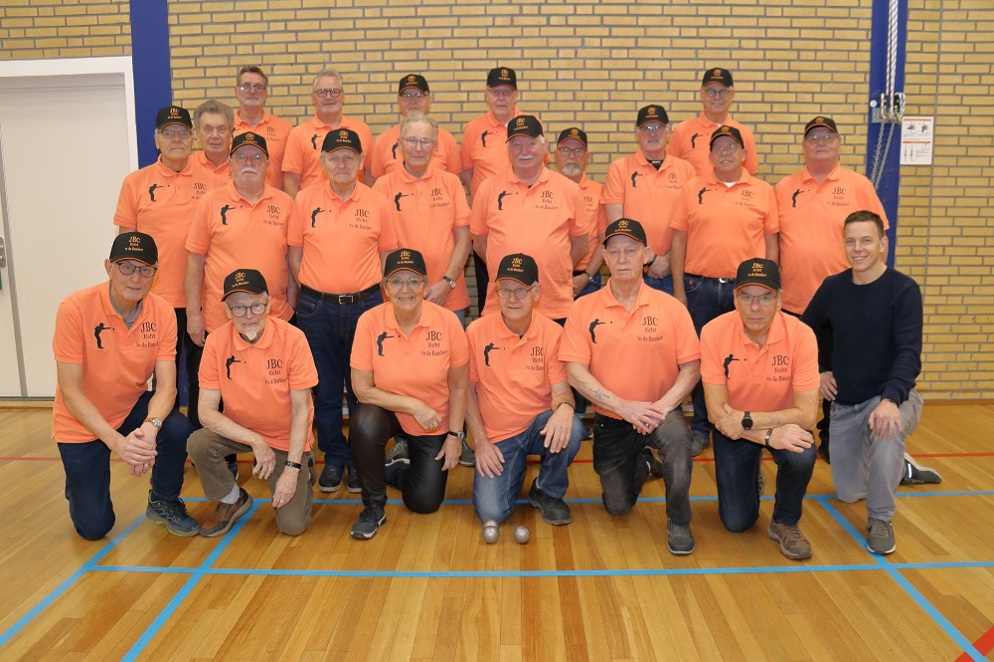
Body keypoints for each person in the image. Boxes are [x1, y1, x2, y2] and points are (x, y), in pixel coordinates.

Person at [773, 116, 938, 486]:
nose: (820, 142)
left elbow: (878, 239)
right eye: (813, 137)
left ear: (838, 143)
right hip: (797, 307)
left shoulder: (858, 185)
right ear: (804, 145)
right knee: (802, 383)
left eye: (827, 137)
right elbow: (773, 243)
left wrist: (878, 293)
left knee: (839, 390)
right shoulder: (784, 188)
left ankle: (879, 450)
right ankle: (790, 449)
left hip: (843, 309)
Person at [561, 219, 699, 555]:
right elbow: (575, 372)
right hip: (613, 417)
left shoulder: (671, 309)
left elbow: (692, 367)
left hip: (659, 409)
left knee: (680, 443)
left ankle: (679, 520)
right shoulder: (582, 309)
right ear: (604, 257)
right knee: (617, 505)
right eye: (615, 251)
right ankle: (647, 464)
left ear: (646, 255)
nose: (623, 258)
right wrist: (624, 407)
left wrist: (663, 407)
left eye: (631, 251)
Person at [52, 232, 197, 540]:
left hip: (129, 407)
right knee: (94, 528)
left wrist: (149, 431)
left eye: (145, 269)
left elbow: (168, 388)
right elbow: (70, 391)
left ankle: (163, 500)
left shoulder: (163, 312)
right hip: (81, 421)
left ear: (155, 272)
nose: (136, 277)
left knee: (177, 428)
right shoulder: (75, 308)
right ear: (109, 267)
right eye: (126, 267)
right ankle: (78, 483)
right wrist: (118, 444)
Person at [801, 211, 928, 554]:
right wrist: (820, 369)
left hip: (889, 397)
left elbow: (909, 355)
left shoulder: (903, 290)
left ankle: (881, 519)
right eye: (851, 241)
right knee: (848, 491)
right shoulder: (833, 287)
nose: (858, 248)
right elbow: (802, 332)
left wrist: (891, 399)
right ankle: (899, 466)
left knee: (887, 429)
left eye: (867, 240)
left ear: (883, 245)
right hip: (846, 403)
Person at [288, 128, 397, 493]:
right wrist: (315, 287)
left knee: (363, 388)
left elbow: (387, 257)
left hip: (366, 307)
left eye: (349, 156)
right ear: (322, 162)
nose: (342, 163)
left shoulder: (377, 202)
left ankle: (362, 457)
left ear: (362, 162)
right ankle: (335, 456)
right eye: (334, 157)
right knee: (326, 390)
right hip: (316, 307)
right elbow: (294, 256)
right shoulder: (304, 201)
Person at [700, 258, 820, 560]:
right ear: (735, 298)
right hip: (735, 432)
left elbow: (807, 415)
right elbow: (716, 413)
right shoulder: (714, 332)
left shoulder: (802, 335)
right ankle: (752, 474)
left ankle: (785, 521)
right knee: (737, 522)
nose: (756, 307)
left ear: (779, 299)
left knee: (802, 451)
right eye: (747, 297)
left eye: (765, 297)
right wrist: (766, 438)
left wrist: (751, 420)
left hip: (766, 423)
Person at [671, 125, 779, 456]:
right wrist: (678, 290)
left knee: (744, 361)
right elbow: (679, 240)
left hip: (745, 292)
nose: (726, 152)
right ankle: (703, 426)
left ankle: (743, 423)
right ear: (710, 154)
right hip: (699, 287)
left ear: (745, 154)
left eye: (733, 146)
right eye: (719, 147)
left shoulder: (763, 191)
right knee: (704, 361)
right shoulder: (692, 188)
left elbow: (772, 244)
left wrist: (768, 290)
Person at [188, 269, 318, 537]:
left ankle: (304, 466)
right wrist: (256, 441)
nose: (248, 315)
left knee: (291, 527)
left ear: (269, 303)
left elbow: (301, 410)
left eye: (256, 305)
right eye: (238, 308)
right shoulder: (216, 342)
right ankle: (231, 498)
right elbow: (206, 412)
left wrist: (292, 470)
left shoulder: (293, 339)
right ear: (226, 309)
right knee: (198, 443)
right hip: (242, 431)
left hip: (285, 437)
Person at [348, 249, 469, 539]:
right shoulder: (369, 321)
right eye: (397, 281)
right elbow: (361, 389)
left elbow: (459, 386)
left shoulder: (448, 322)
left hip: (432, 421)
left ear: (426, 284)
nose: (405, 289)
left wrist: (455, 437)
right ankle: (373, 506)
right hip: (388, 411)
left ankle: (396, 468)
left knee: (424, 503)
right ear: (385, 287)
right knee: (363, 422)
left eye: (413, 281)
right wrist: (413, 405)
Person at [185, 132, 298, 435]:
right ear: (230, 164)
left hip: (274, 318)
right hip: (219, 321)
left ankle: (284, 448)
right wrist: (193, 315)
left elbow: (293, 261)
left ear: (267, 164)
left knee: (278, 391)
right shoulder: (210, 203)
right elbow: (195, 261)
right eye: (242, 157)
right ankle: (219, 463)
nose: (249, 163)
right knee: (212, 392)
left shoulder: (286, 203)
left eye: (256, 157)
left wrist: (293, 307)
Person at [467, 254, 583, 527]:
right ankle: (514, 468)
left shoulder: (553, 334)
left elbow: (561, 392)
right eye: (505, 289)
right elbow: (466, 393)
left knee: (574, 428)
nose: (512, 298)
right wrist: (481, 442)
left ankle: (546, 489)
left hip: (537, 428)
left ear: (537, 292)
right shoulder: (475, 332)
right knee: (491, 513)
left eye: (521, 290)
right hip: (497, 438)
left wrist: (566, 409)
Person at [113, 105, 215, 387]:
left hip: (204, 299)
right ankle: (160, 430)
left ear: (193, 137)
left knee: (205, 377)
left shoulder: (215, 184)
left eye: (183, 132)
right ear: (156, 139)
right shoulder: (135, 183)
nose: (176, 139)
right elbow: (124, 248)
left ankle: (201, 431)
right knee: (162, 377)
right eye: (168, 133)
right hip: (155, 298)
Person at [470, 114, 588, 323]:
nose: (523, 151)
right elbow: (480, 244)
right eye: (516, 144)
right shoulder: (488, 188)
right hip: (503, 304)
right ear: (507, 150)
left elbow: (580, 244)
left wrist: (555, 265)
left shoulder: (569, 190)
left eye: (531, 143)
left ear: (544, 147)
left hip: (554, 306)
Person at [372, 112, 472, 323]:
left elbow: (464, 239)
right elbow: (376, 246)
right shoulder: (382, 187)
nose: (418, 148)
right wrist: (398, 289)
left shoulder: (451, 183)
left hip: (448, 296)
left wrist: (446, 283)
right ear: (399, 144)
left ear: (435, 147)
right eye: (411, 141)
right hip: (399, 298)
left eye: (425, 141)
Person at [603, 105, 696, 294]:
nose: (653, 134)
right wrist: (651, 259)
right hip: (633, 271)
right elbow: (616, 225)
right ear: (637, 133)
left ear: (669, 131)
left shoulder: (686, 170)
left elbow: (693, 223)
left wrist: (670, 260)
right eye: (646, 128)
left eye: (658, 128)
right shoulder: (619, 168)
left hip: (676, 272)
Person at [460, 66, 526, 314]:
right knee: (490, 288)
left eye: (507, 92)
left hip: (525, 222)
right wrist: (485, 199)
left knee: (524, 287)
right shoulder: (473, 130)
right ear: (487, 95)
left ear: (516, 95)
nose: (501, 97)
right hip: (487, 226)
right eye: (496, 92)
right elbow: (467, 172)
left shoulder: (531, 124)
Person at [283, 69, 374, 197]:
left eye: (334, 91)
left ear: (343, 96)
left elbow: (371, 174)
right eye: (322, 92)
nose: (328, 97)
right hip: (314, 212)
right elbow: (290, 183)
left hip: (354, 210)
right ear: (313, 97)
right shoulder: (297, 134)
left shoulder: (362, 130)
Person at [667, 67, 759, 176]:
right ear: (702, 94)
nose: (717, 97)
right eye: (710, 91)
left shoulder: (744, 133)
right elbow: (670, 171)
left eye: (723, 91)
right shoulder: (682, 131)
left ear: (732, 95)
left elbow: (751, 177)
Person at [370, 73, 461, 180]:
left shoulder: (447, 139)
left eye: (419, 95)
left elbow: (454, 181)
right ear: (399, 101)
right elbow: (376, 184)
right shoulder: (382, 141)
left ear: (429, 100)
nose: (413, 101)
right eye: (407, 96)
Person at [554, 127, 607, 299]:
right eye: (566, 150)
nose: (571, 156)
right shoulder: (543, 189)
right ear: (556, 155)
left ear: (587, 157)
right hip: (550, 279)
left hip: (587, 281)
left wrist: (587, 277)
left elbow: (604, 240)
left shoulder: (599, 192)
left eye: (578, 150)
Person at [232, 65, 293, 190]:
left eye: (258, 87)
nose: (252, 91)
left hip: (273, 206)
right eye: (246, 86)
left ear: (265, 94)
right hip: (233, 204)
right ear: (236, 91)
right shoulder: (225, 128)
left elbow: (291, 177)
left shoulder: (285, 129)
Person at [191, 100, 234, 188]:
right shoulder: (187, 167)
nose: (215, 135)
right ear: (197, 134)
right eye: (208, 129)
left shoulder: (244, 166)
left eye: (221, 129)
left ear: (230, 133)